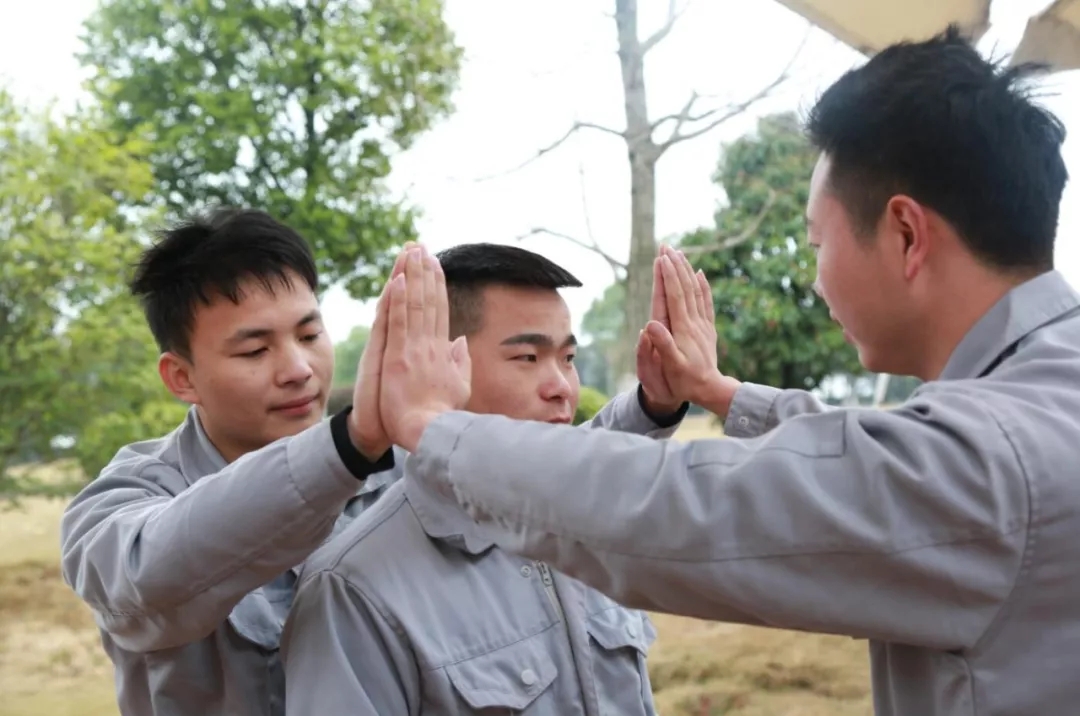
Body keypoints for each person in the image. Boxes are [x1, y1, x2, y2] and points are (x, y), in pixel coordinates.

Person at [375, 27, 1079, 716]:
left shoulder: (994, 460)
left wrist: (436, 429)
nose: (817, 281)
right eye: (528, 356)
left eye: (817, 242)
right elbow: (873, 459)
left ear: (905, 235)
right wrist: (719, 393)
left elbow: (680, 507)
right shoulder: (1041, 395)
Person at [59, 210, 688, 716]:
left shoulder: (385, 458)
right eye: (255, 350)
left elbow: (528, 472)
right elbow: (147, 578)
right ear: (181, 376)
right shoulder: (127, 501)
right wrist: (350, 442)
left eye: (309, 335)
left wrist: (650, 408)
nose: (298, 369)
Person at [281, 243, 710, 715]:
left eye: (567, 358)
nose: (562, 387)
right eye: (528, 357)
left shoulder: (583, 528)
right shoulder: (353, 589)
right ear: (435, 366)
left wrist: (660, 401)